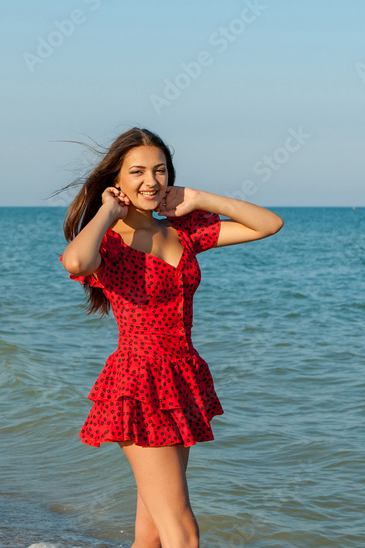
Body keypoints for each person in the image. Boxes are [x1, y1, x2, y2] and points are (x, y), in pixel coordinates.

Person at [58, 127, 283, 548]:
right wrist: (107, 212)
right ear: (117, 181)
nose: (151, 180)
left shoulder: (183, 232)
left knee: (154, 535)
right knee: (183, 532)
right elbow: (76, 259)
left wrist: (200, 199)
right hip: (138, 383)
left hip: (181, 378)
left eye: (159, 170)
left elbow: (269, 224)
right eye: (138, 171)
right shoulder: (108, 243)